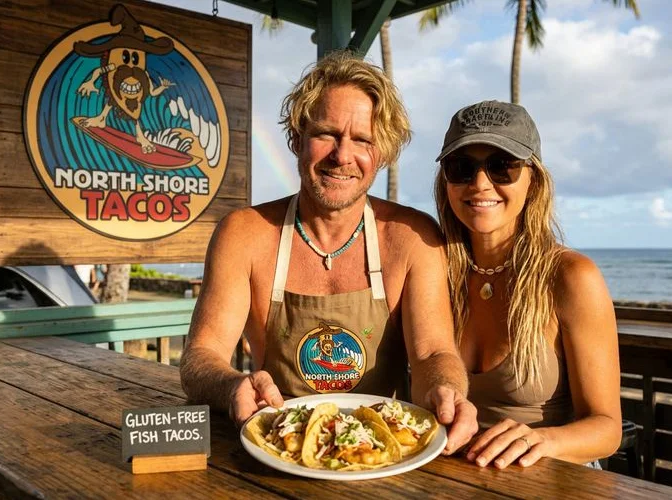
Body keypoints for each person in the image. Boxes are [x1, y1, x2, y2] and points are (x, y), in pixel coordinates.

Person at [180, 51, 478, 455]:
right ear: (296, 138)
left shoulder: (411, 237)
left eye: (363, 140)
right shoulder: (244, 234)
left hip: (380, 454)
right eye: (326, 134)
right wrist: (231, 384)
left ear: (383, 154)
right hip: (276, 447)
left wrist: (446, 391)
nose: (342, 155)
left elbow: (432, 353)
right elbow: (202, 356)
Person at [433, 100, 621, 468]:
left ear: (533, 179)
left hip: (552, 480)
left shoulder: (570, 277)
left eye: (503, 167)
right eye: (462, 168)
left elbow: (608, 429)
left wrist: (542, 439)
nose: (480, 183)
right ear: (446, 180)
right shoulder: (434, 269)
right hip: (453, 479)